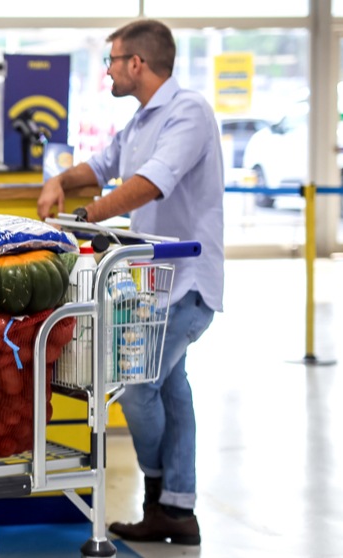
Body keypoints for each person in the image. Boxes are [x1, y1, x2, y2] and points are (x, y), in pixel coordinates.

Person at [37, 19, 224, 546]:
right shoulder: (144, 119)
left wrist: (85, 215)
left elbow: (149, 184)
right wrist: (59, 179)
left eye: (112, 61)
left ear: (136, 64)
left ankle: (162, 493)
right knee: (171, 389)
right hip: (152, 284)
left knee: (138, 386)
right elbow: (103, 164)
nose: (109, 71)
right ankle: (176, 510)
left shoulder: (188, 112)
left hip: (185, 279)